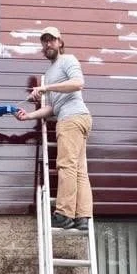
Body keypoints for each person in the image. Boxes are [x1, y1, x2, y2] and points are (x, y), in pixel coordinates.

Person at [14, 26, 93, 231]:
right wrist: (28, 115)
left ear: (60, 42)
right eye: (44, 41)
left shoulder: (68, 60)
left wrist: (45, 88)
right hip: (75, 118)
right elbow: (51, 108)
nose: (47, 44)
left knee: (66, 166)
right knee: (78, 171)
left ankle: (64, 214)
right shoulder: (49, 74)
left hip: (72, 119)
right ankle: (82, 217)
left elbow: (78, 83)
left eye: (51, 40)